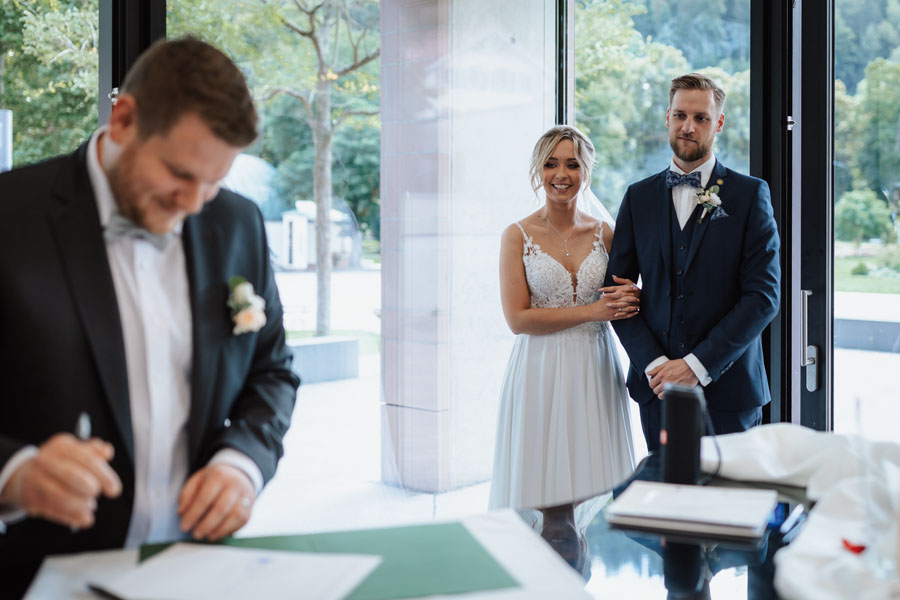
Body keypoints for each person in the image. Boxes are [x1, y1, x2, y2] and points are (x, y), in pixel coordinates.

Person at [0, 37, 300, 594]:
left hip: (199, 572)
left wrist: (242, 464)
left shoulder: (237, 224)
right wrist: (15, 474)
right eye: (180, 174)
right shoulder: (9, 216)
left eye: (214, 181)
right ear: (123, 119)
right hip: (38, 578)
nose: (193, 203)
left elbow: (272, 370)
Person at [606, 72, 780, 453]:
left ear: (718, 123)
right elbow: (616, 295)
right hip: (657, 391)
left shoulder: (750, 195)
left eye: (701, 118)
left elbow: (763, 297)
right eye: (680, 115)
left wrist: (696, 366)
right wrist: (655, 365)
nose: (689, 126)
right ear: (667, 116)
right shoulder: (637, 198)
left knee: (730, 506)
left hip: (731, 392)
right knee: (668, 503)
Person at [489, 125, 639, 542]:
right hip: (540, 369)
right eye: (552, 163)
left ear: (585, 171)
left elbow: (625, 298)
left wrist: (632, 299)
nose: (561, 173)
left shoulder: (604, 233)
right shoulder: (516, 235)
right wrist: (594, 309)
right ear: (538, 169)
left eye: (572, 164)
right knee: (551, 505)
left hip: (593, 365)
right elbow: (517, 319)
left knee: (583, 489)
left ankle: (577, 574)